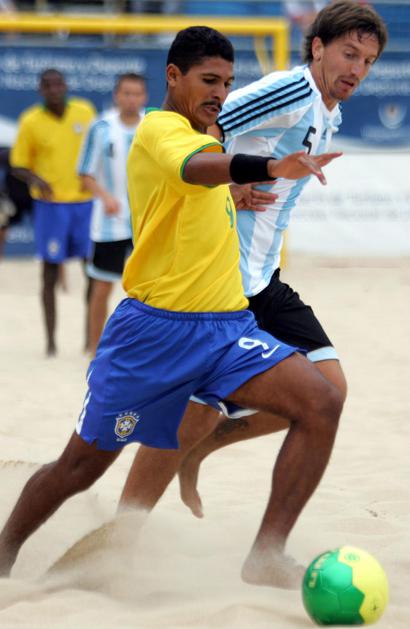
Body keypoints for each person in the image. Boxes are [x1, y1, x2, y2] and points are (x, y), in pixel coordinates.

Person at [0, 25, 342, 588]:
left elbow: (204, 183)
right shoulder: (161, 130)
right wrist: (264, 168)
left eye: (227, 83)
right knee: (78, 469)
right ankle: (5, 553)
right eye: (209, 80)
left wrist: (236, 191)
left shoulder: (206, 136)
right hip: (153, 336)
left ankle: (266, 555)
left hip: (226, 330)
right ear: (173, 76)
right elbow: (195, 169)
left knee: (322, 401)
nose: (220, 93)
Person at [117, 0, 388, 564]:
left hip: (265, 278)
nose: (357, 69)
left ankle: (210, 463)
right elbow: (207, 123)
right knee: (193, 417)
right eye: (348, 54)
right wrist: (231, 185)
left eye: (367, 61)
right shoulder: (289, 91)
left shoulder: (328, 111)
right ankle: (119, 537)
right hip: (226, 284)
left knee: (329, 390)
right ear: (317, 47)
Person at [10, 69, 96, 356]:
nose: (54, 89)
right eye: (47, 85)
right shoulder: (31, 120)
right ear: (40, 90)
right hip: (51, 206)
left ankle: (89, 338)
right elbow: (18, 164)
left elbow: (96, 149)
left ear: (66, 85)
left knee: (91, 271)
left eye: (58, 83)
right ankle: (50, 342)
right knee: (48, 273)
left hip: (84, 203)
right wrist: (36, 179)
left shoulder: (84, 111)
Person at [78, 73, 147, 356]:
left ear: (144, 97)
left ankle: (144, 351)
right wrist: (106, 197)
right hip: (110, 223)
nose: (131, 99)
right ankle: (94, 349)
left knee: (150, 292)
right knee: (102, 286)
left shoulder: (153, 126)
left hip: (147, 222)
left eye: (137, 94)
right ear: (117, 95)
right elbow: (85, 174)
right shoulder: (101, 127)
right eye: (126, 93)